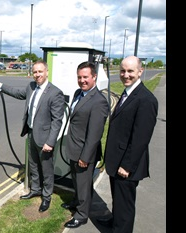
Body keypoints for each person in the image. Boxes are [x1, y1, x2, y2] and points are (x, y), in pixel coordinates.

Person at [0, 60, 65, 212]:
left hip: (45, 139)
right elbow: (19, 94)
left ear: (47, 72)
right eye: (35, 72)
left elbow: (57, 121)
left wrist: (50, 142)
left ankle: (46, 197)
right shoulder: (31, 87)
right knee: (32, 164)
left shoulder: (55, 93)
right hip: (31, 133)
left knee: (46, 168)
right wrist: (1, 86)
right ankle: (35, 189)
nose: (37, 75)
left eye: (40, 72)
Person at [96, 56, 158, 233]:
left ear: (140, 71)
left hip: (126, 165)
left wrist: (127, 165)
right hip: (117, 160)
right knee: (119, 201)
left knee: (125, 206)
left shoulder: (146, 100)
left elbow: (141, 138)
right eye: (123, 70)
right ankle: (115, 223)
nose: (125, 75)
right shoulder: (127, 92)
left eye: (130, 71)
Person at [62, 61, 109, 228]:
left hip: (84, 153)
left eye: (86, 77)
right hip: (73, 148)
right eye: (79, 77)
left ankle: (81, 215)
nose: (82, 80)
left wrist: (85, 156)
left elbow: (95, 134)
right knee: (77, 181)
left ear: (94, 77)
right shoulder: (78, 93)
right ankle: (77, 201)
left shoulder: (99, 101)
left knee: (83, 184)